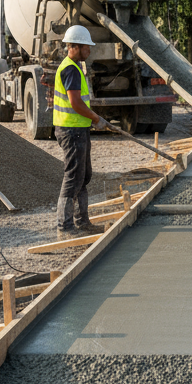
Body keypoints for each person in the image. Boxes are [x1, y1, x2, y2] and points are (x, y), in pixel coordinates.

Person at [52, 24, 110, 239]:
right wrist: (95, 118)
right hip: (71, 130)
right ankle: (65, 226)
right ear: (74, 46)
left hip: (79, 128)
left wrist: (91, 120)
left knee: (83, 176)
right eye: (86, 47)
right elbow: (75, 103)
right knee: (73, 177)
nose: (89, 50)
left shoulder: (75, 67)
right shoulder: (70, 69)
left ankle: (82, 222)